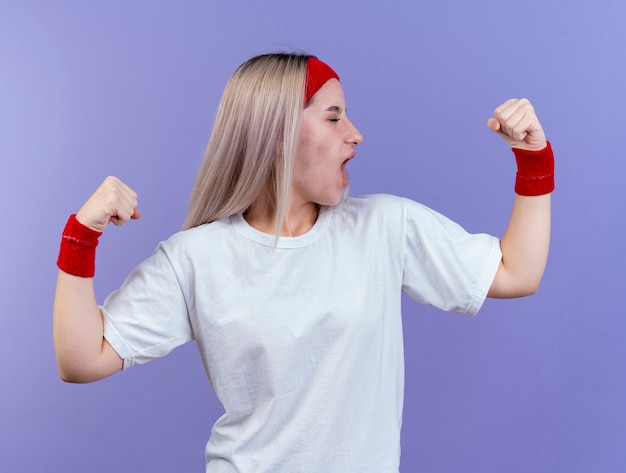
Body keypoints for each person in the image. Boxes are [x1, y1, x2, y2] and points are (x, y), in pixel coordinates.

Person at [53, 53, 554, 473]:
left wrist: (534, 158)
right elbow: (81, 360)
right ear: (277, 133)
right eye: (334, 116)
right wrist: (82, 235)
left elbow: (516, 271)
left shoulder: (384, 227)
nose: (355, 134)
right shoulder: (196, 258)